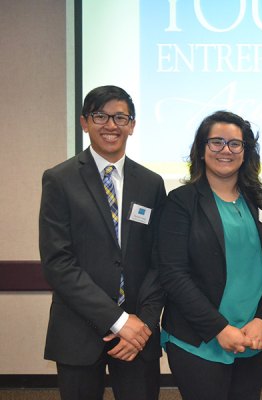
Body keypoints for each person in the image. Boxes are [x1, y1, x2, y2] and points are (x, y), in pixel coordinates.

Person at [39, 85, 167, 400]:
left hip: (138, 333)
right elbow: (58, 262)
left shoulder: (151, 183)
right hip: (78, 329)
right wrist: (117, 319)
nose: (111, 125)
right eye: (100, 115)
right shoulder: (60, 179)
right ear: (84, 122)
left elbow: (160, 260)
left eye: (120, 117)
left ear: (132, 125)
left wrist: (145, 324)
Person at [158, 111, 262, 400]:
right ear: (201, 150)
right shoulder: (181, 202)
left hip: (254, 335)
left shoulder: (261, 200)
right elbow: (173, 274)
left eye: (235, 144)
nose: (225, 150)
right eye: (216, 142)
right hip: (199, 339)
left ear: (245, 152)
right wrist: (219, 328)